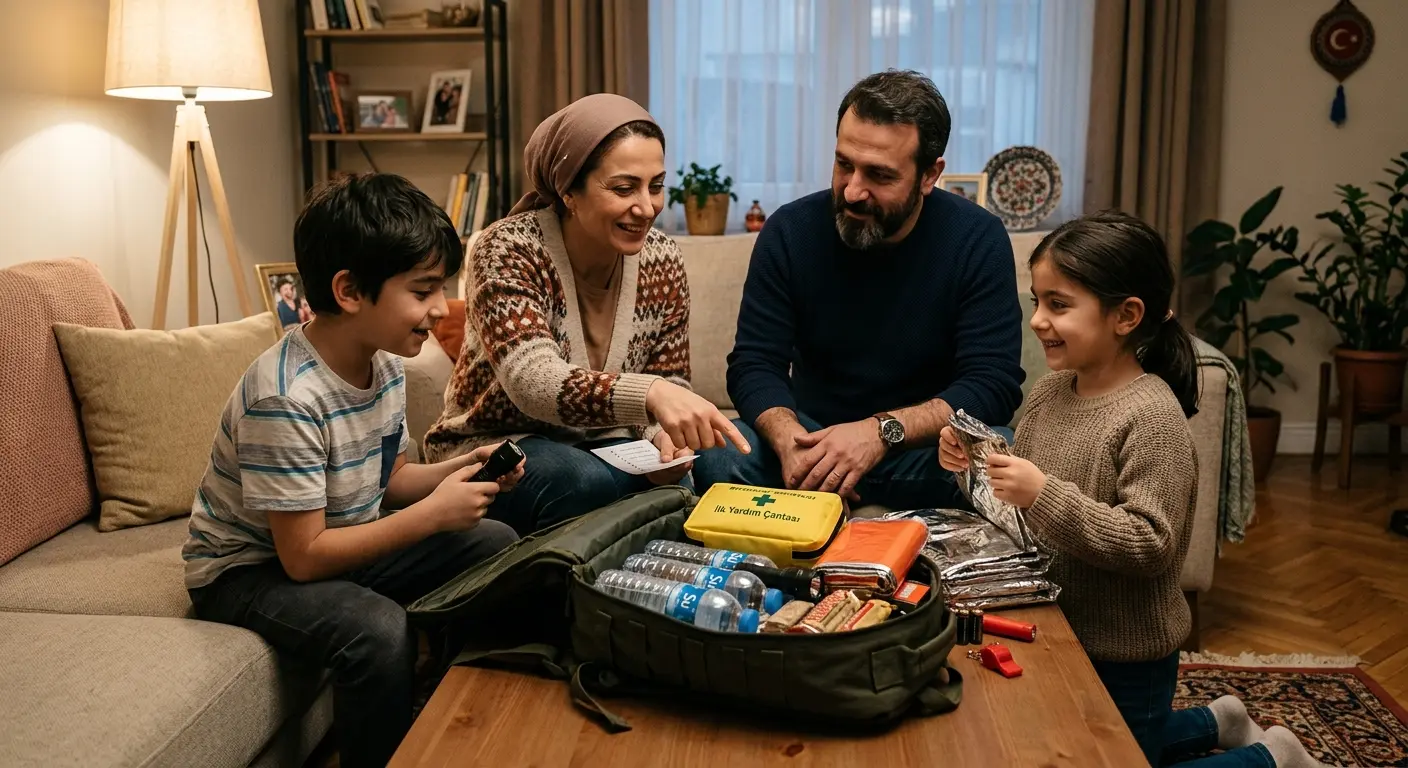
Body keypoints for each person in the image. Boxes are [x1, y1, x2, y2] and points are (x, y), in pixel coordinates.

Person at [939, 212, 1323, 768]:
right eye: (1037, 304)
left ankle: (1274, 757)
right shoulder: (1049, 394)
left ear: (1127, 316)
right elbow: (1022, 512)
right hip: (1061, 632)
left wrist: (1043, 492)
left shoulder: (1152, 417)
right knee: (1080, 741)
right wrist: (972, 466)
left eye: (1059, 305)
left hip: (1126, 652)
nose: (1040, 321)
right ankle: (1221, 720)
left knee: (1114, 750)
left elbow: (1151, 545)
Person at [182, 173, 522, 768]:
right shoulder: (286, 397)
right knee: (376, 629)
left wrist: (457, 472)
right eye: (423, 291)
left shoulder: (386, 368)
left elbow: (390, 482)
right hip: (249, 570)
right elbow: (303, 557)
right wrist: (428, 520)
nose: (441, 309)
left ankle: (436, 712)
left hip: (334, 537)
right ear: (348, 291)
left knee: (496, 543)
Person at [690, 70, 1024, 510]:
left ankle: (826, 515)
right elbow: (754, 363)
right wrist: (791, 444)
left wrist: (878, 432)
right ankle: (817, 502)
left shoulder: (976, 239)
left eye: (879, 175)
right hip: (811, 441)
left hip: (917, 449)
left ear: (929, 175)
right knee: (718, 455)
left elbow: (992, 383)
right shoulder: (790, 232)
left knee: (997, 451)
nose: (852, 190)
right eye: (844, 163)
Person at [424, 93, 749, 535]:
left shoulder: (663, 259)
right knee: (582, 480)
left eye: (655, 185)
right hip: (500, 447)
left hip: (611, 445)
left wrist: (664, 441)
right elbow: (532, 382)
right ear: (569, 192)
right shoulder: (508, 249)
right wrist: (650, 394)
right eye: (623, 188)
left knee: (721, 459)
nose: (647, 207)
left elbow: (669, 380)